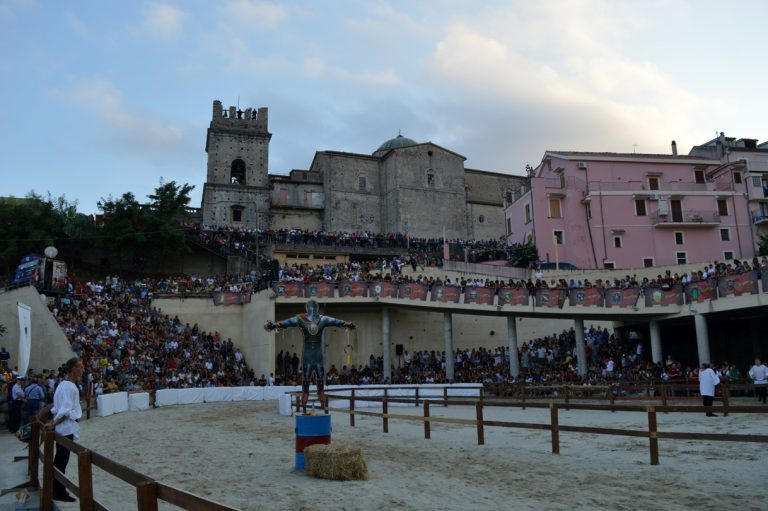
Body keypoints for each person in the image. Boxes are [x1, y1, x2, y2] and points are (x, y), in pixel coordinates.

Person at [265, 300, 355, 405]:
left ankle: (321, 392)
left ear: (316, 308)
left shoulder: (322, 319)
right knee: (306, 373)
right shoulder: (301, 319)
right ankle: (306, 392)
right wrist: (275, 325)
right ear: (307, 308)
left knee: (320, 372)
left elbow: (336, 322)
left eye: (314, 307)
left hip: (317, 351)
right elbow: (287, 323)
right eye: (310, 307)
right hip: (308, 351)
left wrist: (347, 324)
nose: (312, 310)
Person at [46, 357, 84, 502]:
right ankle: (59, 492)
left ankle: (57, 489)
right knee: (62, 460)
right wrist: (54, 423)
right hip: (65, 428)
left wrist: (53, 422)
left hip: (61, 427)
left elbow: (57, 408)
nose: (82, 369)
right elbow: (65, 410)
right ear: (73, 369)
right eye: (80, 367)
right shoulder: (69, 387)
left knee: (60, 459)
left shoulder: (62, 385)